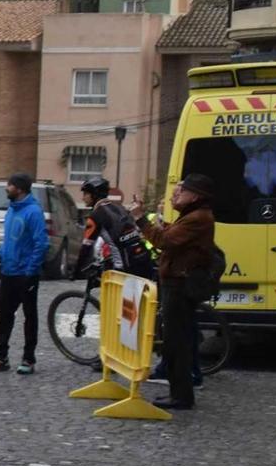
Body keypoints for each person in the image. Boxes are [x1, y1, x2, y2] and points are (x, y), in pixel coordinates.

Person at [140, 173, 219, 412]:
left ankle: (182, 396)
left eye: (181, 191)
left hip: (181, 284)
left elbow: (165, 241)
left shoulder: (198, 218)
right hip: (176, 281)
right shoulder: (192, 216)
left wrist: (140, 220)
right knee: (175, 340)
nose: (176, 194)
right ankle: (177, 392)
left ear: (195, 195)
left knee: (178, 341)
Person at [0, 172, 47, 376]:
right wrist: (0, 254)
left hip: (26, 274)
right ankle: (0, 358)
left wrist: (30, 271)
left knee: (29, 317)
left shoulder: (33, 212)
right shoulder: (12, 209)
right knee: (4, 316)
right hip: (8, 271)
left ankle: (28, 359)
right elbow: (11, 240)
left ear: (19, 188)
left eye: (9, 185)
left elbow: (41, 244)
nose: (6, 188)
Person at [73, 176, 155, 281]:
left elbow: (86, 247)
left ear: (94, 194)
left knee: (115, 295)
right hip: (143, 257)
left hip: (125, 266)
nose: (83, 198)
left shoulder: (96, 215)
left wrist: (76, 272)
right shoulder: (119, 207)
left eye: (85, 194)